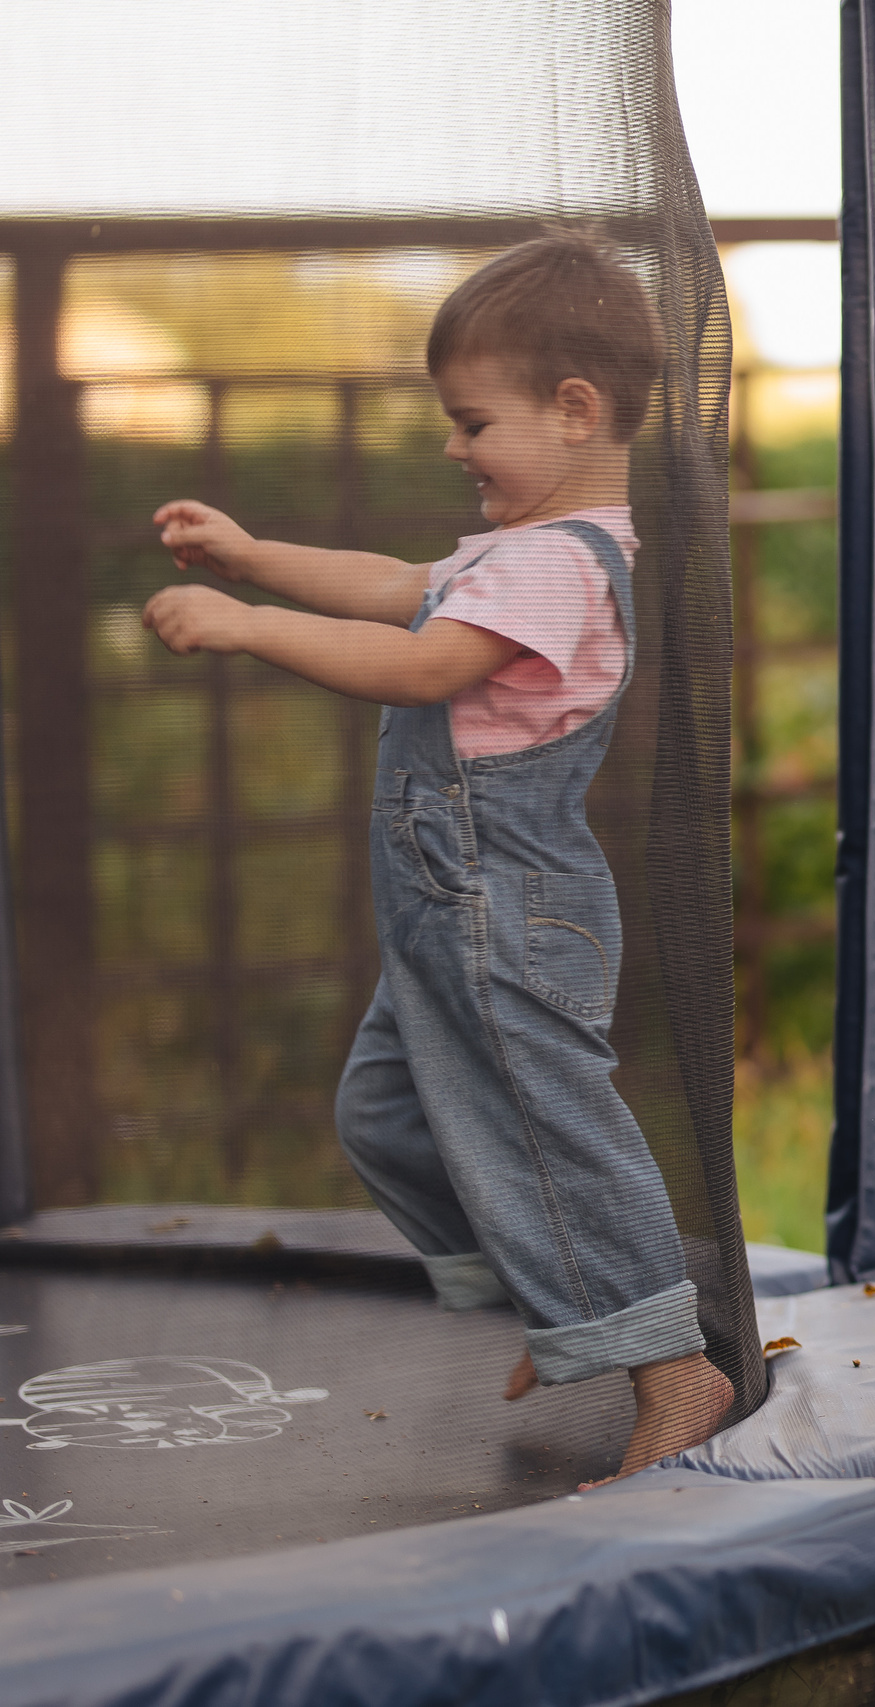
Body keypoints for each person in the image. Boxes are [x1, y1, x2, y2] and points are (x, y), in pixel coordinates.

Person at [140, 235, 732, 1485]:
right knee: (385, 1116)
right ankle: (566, 1307)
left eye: (472, 423)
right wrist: (254, 555)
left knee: (551, 1132)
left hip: (503, 909)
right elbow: (395, 589)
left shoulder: (568, 566)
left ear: (574, 413)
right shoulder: (507, 554)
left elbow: (424, 664)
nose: (453, 448)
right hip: (443, 917)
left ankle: (671, 1370)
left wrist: (250, 628)